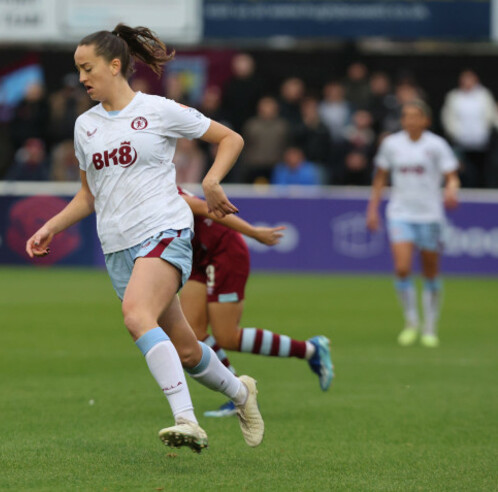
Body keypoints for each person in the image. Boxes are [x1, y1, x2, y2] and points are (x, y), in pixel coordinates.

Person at [25, 24, 264, 453]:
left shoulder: (158, 110)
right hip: (118, 246)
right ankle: (243, 395)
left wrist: (211, 180)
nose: (81, 78)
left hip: (165, 229)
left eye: (87, 68)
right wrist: (51, 226)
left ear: (114, 66)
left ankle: (186, 420)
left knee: (137, 316)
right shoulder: (85, 127)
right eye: (78, 70)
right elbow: (88, 194)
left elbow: (231, 138)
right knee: (188, 351)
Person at [178, 188, 334, 417]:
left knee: (227, 336)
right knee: (192, 334)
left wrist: (253, 233)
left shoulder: (164, 193)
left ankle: (311, 350)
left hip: (224, 251)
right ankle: (239, 395)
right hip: (196, 256)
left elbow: (207, 209)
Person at [366, 101, 460, 348]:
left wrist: (451, 189)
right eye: (406, 116)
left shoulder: (436, 145)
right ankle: (411, 322)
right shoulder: (391, 144)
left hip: (429, 215)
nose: (409, 120)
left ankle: (430, 326)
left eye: (414, 116)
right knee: (402, 267)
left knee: (430, 271)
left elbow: (451, 176)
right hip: (400, 213)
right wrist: (372, 209)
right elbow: (380, 178)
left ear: (425, 120)